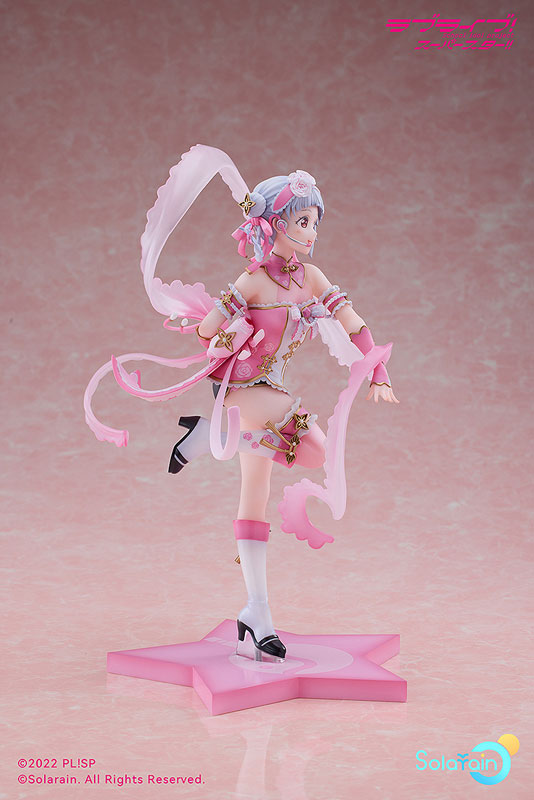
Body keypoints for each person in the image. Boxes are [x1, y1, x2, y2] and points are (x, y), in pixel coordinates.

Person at [84, 144, 398, 664]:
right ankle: (211, 436)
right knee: (292, 447)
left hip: (272, 392)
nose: (311, 232)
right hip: (243, 390)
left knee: (281, 476)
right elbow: (207, 332)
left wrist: (378, 369)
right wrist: (230, 333)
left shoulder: (312, 279)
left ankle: (254, 611)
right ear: (273, 225)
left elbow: (354, 322)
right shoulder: (250, 282)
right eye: (301, 221)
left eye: (314, 221)